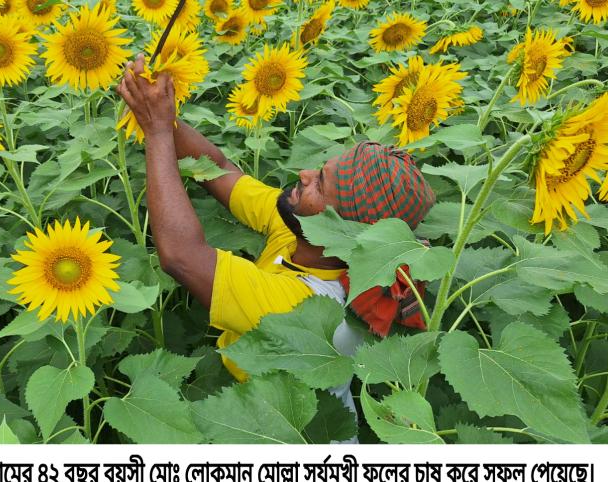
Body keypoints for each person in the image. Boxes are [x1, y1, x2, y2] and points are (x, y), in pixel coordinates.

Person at [115, 53, 436, 429]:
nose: (303, 174)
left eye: (321, 184)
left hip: (283, 432)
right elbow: (221, 171)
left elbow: (181, 257)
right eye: (318, 170)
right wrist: (158, 111)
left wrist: (156, 133)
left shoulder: (310, 308)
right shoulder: (306, 231)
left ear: (345, 229)